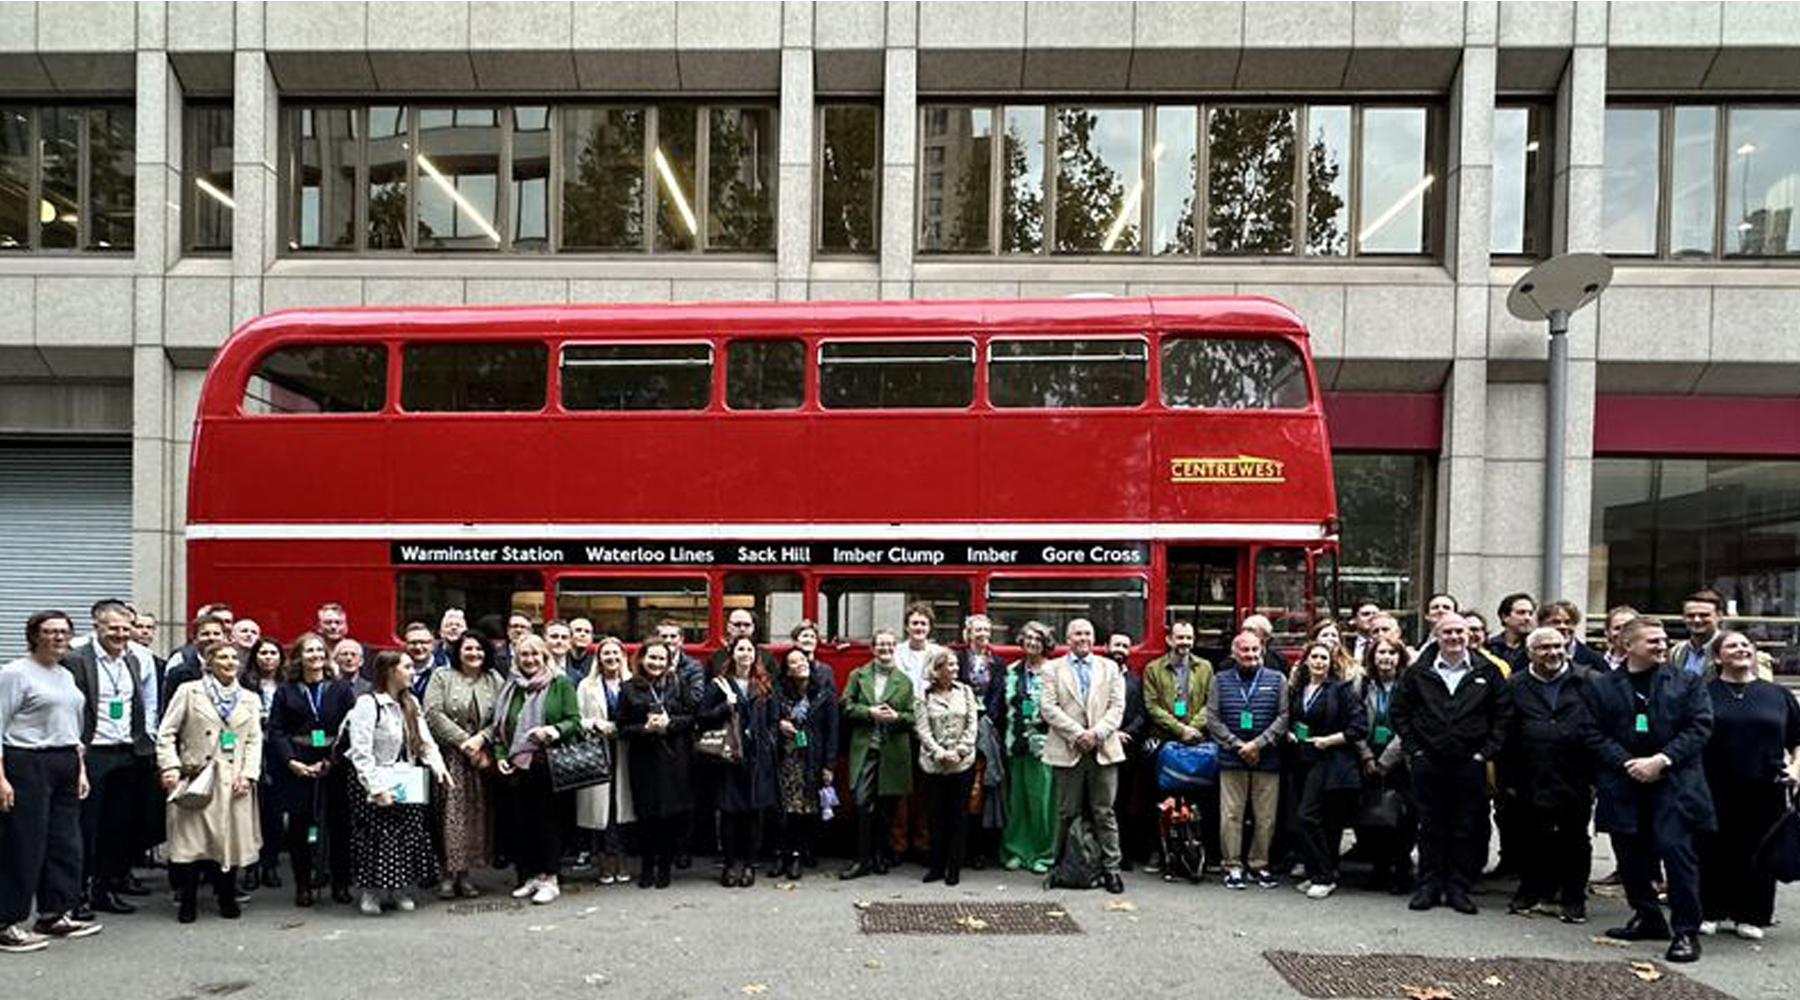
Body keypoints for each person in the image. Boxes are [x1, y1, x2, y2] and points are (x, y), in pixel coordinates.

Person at [1585, 615, 1715, 963]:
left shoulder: (1686, 681)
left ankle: (1686, 932)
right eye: (1652, 641)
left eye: (1663, 640)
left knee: (1676, 854)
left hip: (1674, 783)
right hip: (1624, 782)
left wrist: (1661, 760)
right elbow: (1591, 731)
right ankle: (1647, 916)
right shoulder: (1601, 685)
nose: (1662, 645)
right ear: (1627, 646)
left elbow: (1700, 727)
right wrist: (1629, 762)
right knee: (1630, 855)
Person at [1391, 612, 1509, 915]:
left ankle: (1458, 888)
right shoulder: (1418, 672)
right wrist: (1414, 749)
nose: (1455, 637)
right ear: (1437, 636)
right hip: (1427, 762)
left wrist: (1485, 752)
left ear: (1469, 635)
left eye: (1460, 632)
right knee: (1429, 826)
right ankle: (1428, 886)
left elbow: (1502, 715)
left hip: (1470, 763)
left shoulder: (1488, 671)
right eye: (1448, 632)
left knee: (1465, 827)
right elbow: (1400, 712)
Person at [1, 611, 99, 951]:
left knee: (65, 842)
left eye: (63, 632)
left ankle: (54, 913)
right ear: (34, 636)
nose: (57, 637)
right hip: (26, 762)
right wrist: (1, 778)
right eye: (49, 631)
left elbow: (71, 726)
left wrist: (80, 768)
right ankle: (6, 921)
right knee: (24, 843)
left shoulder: (65, 675)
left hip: (65, 761)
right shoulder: (14, 673)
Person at [1697, 630, 1800, 941]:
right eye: (1732, 645)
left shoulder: (1777, 695)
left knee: (1759, 850)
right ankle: (1710, 910)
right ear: (1718, 657)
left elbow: (1798, 740)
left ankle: (1752, 915)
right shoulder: (1703, 693)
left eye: (1745, 645)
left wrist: (1796, 769)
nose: (1741, 649)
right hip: (1712, 784)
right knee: (1712, 848)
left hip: (1765, 786)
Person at [462, 634, 579, 905]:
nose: (529, 660)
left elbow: (574, 720)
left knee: (547, 823)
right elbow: (501, 726)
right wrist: (502, 755)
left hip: (548, 763)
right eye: (524, 655)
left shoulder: (561, 683)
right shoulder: (512, 687)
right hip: (517, 766)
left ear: (544, 656)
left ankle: (550, 878)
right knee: (522, 824)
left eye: (534, 654)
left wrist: (552, 730)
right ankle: (529, 876)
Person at [156, 641, 262, 923]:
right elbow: (166, 733)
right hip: (196, 778)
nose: (229, 662)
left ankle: (226, 896)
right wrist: (170, 767)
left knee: (227, 842)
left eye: (234, 658)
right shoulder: (189, 692)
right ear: (209, 662)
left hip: (233, 780)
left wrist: (249, 774)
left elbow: (254, 740)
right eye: (222, 657)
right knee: (192, 843)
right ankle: (187, 900)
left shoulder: (250, 698)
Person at [62, 600, 154, 917]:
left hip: (126, 752)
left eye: (125, 628)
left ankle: (104, 889)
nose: (120, 634)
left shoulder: (132, 661)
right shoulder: (76, 660)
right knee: (86, 828)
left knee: (117, 827)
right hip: (93, 753)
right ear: (97, 627)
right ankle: (77, 895)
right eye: (112, 628)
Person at [1500, 626, 1596, 924]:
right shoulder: (1515, 685)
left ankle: (1573, 899)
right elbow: (1506, 735)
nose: (1553, 652)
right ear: (1530, 652)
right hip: (1530, 775)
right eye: (1544, 648)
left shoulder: (1589, 680)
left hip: (1576, 776)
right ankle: (1531, 891)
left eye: (1558, 646)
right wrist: (1508, 779)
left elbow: (1602, 725)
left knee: (1575, 839)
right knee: (1531, 837)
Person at [344, 651, 449, 917]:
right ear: (390, 671)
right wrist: (376, 788)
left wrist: (439, 767)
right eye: (407, 666)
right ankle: (370, 892)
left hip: (406, 778)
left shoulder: (411, 702)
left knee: (407, 834)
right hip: (374, 780)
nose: (413, 671)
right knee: (375, 837)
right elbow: (361, 752)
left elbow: (424, 742)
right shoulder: (368, 704)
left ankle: (399, 889)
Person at [265, 632, 356, 907]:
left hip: (334, 765)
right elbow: (276, 730)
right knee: (300, 830)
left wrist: (332, 761)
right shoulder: (286, 690)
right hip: (297, 766)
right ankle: (303, 885)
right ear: (299, 657)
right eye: (309, 651)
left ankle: (340, 884)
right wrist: (291, 761)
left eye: (320, 650)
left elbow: (352, 729)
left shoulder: (341, 689)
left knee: (339, 828)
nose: (316, 655)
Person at [1039, 620, 1127, 893]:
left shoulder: (1109, 667)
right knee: (1066, 813)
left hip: (1103, 750)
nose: (1084, 638)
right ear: (1068, 638)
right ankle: (1059, 867)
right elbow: (1048, 708)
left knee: (1105, 813)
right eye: (1078, 634)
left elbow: (1117, 707)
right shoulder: (1052, 669)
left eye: (1088, 633)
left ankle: (1112, 870)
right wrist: (1078, 734)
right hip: (1068, 749)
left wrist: (1096, 734)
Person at [1207, 629, 1290, 890]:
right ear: (1234, 652)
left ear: (1262, 650)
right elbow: (1212, 718)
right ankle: (1232, 866)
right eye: (1245, 650)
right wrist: (1238, 744)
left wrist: (1259, 743)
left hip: (1267, 758)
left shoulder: (1277, 679)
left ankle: (1259, 864)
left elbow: (1284, 716)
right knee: (1231, 814)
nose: (1251, 655)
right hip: (1232, 758)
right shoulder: (1219, 680)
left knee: (1266, 817)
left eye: (1255, 649)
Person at [423, 632, 503, 900]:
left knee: (475, 817)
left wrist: (481, 739)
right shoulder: (441, 676)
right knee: (449, 815)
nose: (474, 653)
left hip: (480, 758)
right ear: (458, 651)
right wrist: (463, 741)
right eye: (468, 648)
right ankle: (447, 875)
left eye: (479, 649)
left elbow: (502, 717)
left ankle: (466, 875)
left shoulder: (494, 679)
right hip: (451, 757)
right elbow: (432, 712)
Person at [1287, 640, 1368, 900]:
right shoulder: (1300, 690)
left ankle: (1324, 876)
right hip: (1303, 760)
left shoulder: (1341, 690)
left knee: (1308, 816)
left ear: (1331, 663)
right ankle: (1316, 872)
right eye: (1315, 657)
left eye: (1324, 658)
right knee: (1317, 820)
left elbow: (1359, 727)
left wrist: (1329, 740)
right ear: (1306, 661)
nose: (1319, 662)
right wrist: (1290, 732)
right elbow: (1296, 718)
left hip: (1332, 761)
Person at [698, 636, 777, 888]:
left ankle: (750, 866)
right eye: (740, 649)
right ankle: (730, 865)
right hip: (729, 757)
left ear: (756, 655)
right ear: (732, 654)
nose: (745, 653)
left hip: (757, 759)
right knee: (729, 814)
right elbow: (702, 717)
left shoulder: (764, 684)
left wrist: (768, 742)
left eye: (750, 649)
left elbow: (773, 719)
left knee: (754, 814)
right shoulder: (719, 684)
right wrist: (724, 707)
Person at [616, 640, 695, 889]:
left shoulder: (677, 684)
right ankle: (647, 865)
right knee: (647, 814)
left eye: (662, 659)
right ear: (641, 659)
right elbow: (622, 726)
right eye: (653, 658)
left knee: (670, 815)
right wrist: (645, 728)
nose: (657, 663)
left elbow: (692, 717)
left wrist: (670, 723)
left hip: (674, 757)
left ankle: (664, 866)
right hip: (644, 758)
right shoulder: (628, 688)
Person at [839, 629, 915, 880]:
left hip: (892, 752)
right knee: (862, 804)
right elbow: (846, 706)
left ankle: (879, 856)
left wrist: (897, 717)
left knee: (886, 809)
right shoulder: (858, 675)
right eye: (880, 645)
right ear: (872, 649)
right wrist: (869, 712)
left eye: (890, 645)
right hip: (866, 749)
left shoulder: (904, 681)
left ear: (895, 648)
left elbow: (913, 717)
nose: (885, 650)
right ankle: (861, 860)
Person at [1142, 620, 1218, 872]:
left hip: (1197, 739)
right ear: (1169, 640)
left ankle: (1201, 853)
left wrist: (1193, 728)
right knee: (1159, 796)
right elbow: (1152, 706)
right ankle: (1158, 851)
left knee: (1200, 796)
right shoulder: (1153, 669)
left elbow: (1211, 702)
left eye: (1189, 638)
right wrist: (1179, 729)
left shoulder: (1205, 667)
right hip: (1164, 739)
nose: (1184, 643)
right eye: (1180, 638)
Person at [989, 621, 1058, 874]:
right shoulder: (1013, 671)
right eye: (1028, 638)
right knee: (1015, 801)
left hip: (1045, 746)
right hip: (1015, 743)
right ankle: (1015, 850)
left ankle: (1043, 854)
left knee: (1042, 802)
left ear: (1045, 644)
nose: (1032, 643)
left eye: (1038, 639)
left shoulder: (1055, 671)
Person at [1355, 635, 1415, 893]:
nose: (1386, 657)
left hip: (1401, 760)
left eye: (1392, 653)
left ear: (1400, 657)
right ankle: (1378, 869)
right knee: (1372, 815)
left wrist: (1386, 760)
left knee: (1403, 818)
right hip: (1366, 759)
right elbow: (1353, 722)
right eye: (1381, 652)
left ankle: (1402, 870)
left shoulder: (1410, 685)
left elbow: (1411, 726)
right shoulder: (1361, 685)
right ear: (1372, 657)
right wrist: (1367, 755)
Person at [914, 648, 977, 886]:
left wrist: (959, 752)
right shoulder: (924, 695)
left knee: (958, 816)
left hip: (962, 764)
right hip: (934, 764)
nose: (955, 668)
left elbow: (972, 725)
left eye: (955, 664)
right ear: (937, 669)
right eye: (949, 665)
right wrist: (940, 754)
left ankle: (954, 866)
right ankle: (936, 865)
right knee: (935, 816)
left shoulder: (966, 692)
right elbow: (922, 729)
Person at [773, 646, 836, 880]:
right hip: (785, 759)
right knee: (783, 809)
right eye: (794, 662)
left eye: (803, 660)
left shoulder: (823, 693)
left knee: (804, 810)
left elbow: (832, 730)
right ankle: (781, 854)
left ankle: (797, 855)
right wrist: (780, 725)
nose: (800, 664)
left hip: (811, 759)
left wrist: (829, 765)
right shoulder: (779, 693)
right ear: (787, 670)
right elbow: (768, 720)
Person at [574, 636, 632, 887]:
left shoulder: (632, 683)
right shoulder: (586, 685)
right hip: (597, 751)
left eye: (615, 653)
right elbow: (577, 718)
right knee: (601, 811)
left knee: (622, 808)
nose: (611, 658)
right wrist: (594, 724)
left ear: (623, 657)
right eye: (606, 654)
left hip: (625, 751)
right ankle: (604, 862)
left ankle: (622, 859)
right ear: (599, 658)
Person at [889, 603, 940, 864]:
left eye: (923, 623)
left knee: (926, 787)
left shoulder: (939, 653)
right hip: (902, 724)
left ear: (929, 628)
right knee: (900, 787)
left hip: (931, 728)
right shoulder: (896, 653)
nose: (918, 628)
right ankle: (898, 844)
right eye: (914, 623)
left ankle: (923, 843)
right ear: (907, 627)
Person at [239, 637, 286, 892]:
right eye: (263, 652)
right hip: (252, 750)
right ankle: (250, 867)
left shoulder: (287, 683)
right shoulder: (245, 683)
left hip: (278, 753)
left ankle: (270, 864)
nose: (268, 657)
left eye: (273, 652)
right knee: (251, 811)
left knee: (274, 813)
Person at [1109, 631, 1153, 872]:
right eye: (1116, 645)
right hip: (1103, 744)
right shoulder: (1099, 677)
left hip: (1127, 747)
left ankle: (1123, 853)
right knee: (1101, 803)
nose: (1120, 650)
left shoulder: (1136, 681)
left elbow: (1142, 714)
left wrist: (1127, 733)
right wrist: (1110, 733)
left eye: (1125, 646)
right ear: (1107, 646)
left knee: (1124, 802)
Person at [1670, 590, 1776, 681]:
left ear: (1719, 616)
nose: (1696, 620)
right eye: (1690, 615)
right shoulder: (1676, 652)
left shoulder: (1741, 649)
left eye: (1704, 615)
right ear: (1683, 617)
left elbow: (1762, 690)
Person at [160, 613, 229, 705]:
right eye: (205, 634)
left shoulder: (237, 671)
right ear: (195, 638)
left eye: (216, 634)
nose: (211, 638)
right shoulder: (178, 673)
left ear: (225, 638)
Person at [1538, 599, 1607, 672]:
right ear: (1542, 625)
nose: (1563, 627)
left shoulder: (1594, 660)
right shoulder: (1529, 657)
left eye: (1568, 622)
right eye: (1556, 622)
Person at [1487, 593, 1536, 673]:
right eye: (1521, 613)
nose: (1528, 618)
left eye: (1530, 613)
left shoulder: (1535, 647)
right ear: (1505, 617)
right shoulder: (1490, 646)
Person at [400, 621, 436, 698]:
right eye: (413, 643)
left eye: (423, 642)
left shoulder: (444, 670)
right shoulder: (396, 672)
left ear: (432, 644)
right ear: (405, 645)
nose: (418, 647)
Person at [1602, 605, 1641, 671]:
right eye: (1617, 628)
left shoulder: (1645, 663)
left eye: (1628, 628)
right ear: (1607, 632)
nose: (1622, 632)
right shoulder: (1594, 661)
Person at [544, 620, 578, 684]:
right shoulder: (532, 669)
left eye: (564, 638)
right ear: (545, 640)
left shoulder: (577, 676)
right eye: (554, 637)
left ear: (570, 643)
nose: (559, 641)